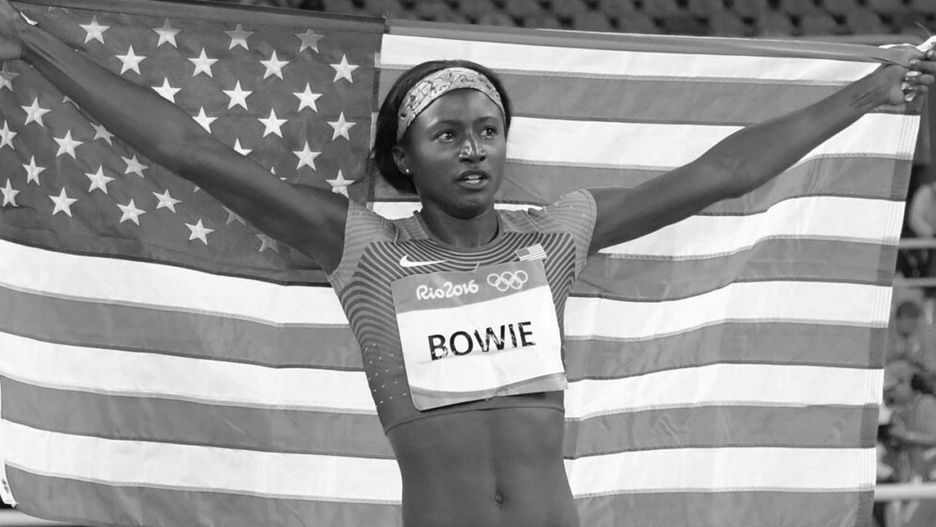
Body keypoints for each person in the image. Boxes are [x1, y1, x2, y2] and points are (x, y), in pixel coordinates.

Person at [1, 3, 934, 526]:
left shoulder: (553, 236)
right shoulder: (364, 248)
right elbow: (193, 154)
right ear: (405, 159)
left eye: (488, 129)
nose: (475, 147)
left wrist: (866, 94)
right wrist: (33, 45)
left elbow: (719, 173)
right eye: (447, 133)